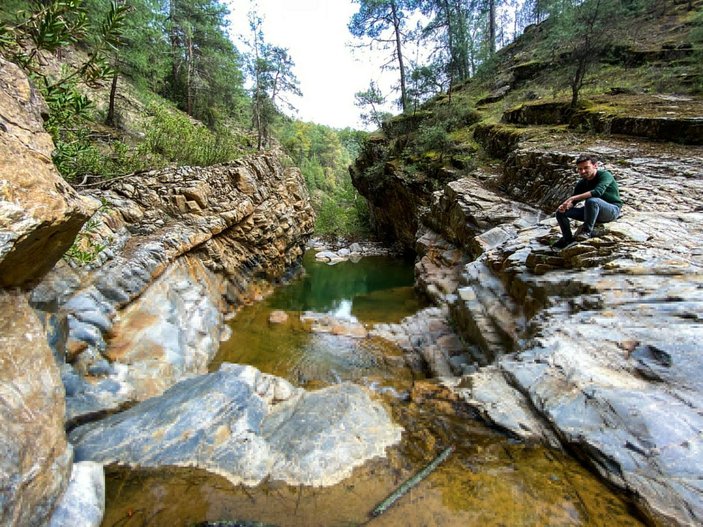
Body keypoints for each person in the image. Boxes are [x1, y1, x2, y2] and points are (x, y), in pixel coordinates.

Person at [553, 154, 623, 249]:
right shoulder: (582, 183)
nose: (583, 171)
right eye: (580, 169)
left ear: (595, 166)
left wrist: (573, 198)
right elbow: (574, 202)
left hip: (611, 210)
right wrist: (565, 206)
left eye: (586, 168)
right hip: (591, 211)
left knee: (591, 201)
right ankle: (567, 239)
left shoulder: (605, 175)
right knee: (560, 213)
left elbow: (598, 192)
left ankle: (586, 232)